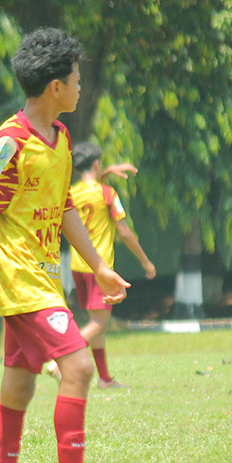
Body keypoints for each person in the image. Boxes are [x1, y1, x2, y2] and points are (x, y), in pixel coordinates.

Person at [0, 27, 131, 463]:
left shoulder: (61, 138)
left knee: (18, 392)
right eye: (75, 79)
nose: (79, 86)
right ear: (54, 88)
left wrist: (100, 265)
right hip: (19, 282)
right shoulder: (9, 142)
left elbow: (64, 207)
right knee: (79, 367)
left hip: (44, 280)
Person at [63, 142, 156, 389]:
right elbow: (124, 233)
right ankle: (59, 360)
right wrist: (145, 261)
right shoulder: (108, 194)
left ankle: (105, 379)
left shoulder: (71, 192)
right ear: (96, 163)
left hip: (78, 266)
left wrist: (107, 170)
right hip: (100, 267)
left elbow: (93, 186)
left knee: (98, 326)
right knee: (99, 324)